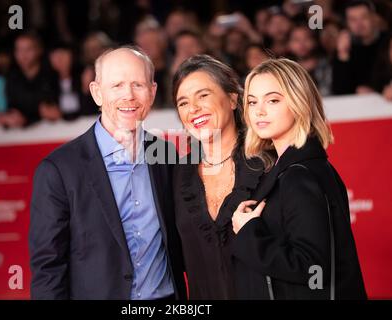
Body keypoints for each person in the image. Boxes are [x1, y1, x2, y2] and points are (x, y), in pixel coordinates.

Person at [29, 46, 186, 300]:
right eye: (117, 86)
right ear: (96, 93)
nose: (129, 95)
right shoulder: (59, 170)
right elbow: (48, 267)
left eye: (138, 84)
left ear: (152, 92)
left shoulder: (166, 156)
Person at [231, 58, 367, 300]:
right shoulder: (298, 168)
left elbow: (313, 268)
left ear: (299, 102)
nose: (258, 111)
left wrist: (248, 232)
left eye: (273, 100)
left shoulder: (299, 176)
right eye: (252, 102)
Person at [172, 55, 263, 299]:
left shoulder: (267, 163)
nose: (193, 109)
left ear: (233, 98)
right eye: (183, 103)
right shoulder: (177, 175)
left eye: (203, 95)